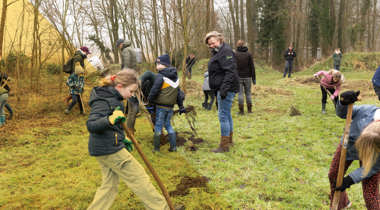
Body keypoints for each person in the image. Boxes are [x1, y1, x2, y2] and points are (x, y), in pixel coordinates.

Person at [86, 69, 169, 210]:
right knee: (139, 178)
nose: (131, 95)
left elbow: (115, 127)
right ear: (119, 87)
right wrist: (109, 119)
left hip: (104, 147)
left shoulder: (113, 97)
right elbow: (92, 125)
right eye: (131, 91)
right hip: (110, 149)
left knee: (109, 186)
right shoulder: (104, 100)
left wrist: (122, 138)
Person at [328, 90, 380, 210]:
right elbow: (342, 113)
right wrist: (343, 102)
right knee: (334, 176)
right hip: (348, 146)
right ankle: (341, 204)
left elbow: (372, 167)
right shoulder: (366, 111)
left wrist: (350, 179)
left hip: (372, 159)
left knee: (370, 193)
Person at [204, 31, 239, 153]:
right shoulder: (219, 52)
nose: (211, 46)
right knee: (227, 114)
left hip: (226, 89)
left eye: (212, 43)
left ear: (219, 39)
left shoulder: (226, 52)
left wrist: (224, 89)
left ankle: (224, 146)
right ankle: (229, 141)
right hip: (222, 88)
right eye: (209, 44)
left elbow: (230, 72)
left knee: (223, 115)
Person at [147, 54, 185, 152]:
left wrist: (149, 102)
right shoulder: (176, 78)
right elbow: (179, 95)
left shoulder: (161, 76)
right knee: (168, 125)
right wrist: (181, 106)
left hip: (160, 106)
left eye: (160, 64)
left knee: (158, 127)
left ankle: (156, 148)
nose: (157, 66)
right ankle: (173, 147)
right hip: (170, 107)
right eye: (157, 63)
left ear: (166, 65)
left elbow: (154, 90)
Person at [116, 39, 139, 136]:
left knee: (132, 106)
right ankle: (131, 128)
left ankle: (129, 131)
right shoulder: (132, 49)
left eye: (118, 46)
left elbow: (126, 65)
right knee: (133, 104)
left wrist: (121, 77)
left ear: (121, 45)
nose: (119, 48)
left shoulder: (126, 51)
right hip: (135, 78)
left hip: (129, 79)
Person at [235, 40, 256, 115]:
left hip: (238, 77)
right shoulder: (248, 54)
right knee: (248, 93)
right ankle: (249, 110)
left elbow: (233, 67)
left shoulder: (235, 54)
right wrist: (254, 78)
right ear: (244, 45)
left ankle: (241, 111)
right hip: (248, 77)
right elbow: (252, 67)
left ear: (237, 45)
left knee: (240, 94)